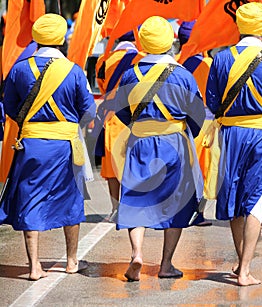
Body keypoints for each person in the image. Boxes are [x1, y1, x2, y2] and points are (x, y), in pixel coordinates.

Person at [0, 13, 96, 281]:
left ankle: (33, 267)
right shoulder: (74, 71)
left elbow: (9, 108)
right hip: (65, 146)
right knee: (71, 200)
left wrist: (31, 123)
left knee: (30, 199)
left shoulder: (19, 69)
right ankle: (71, 261)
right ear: (62, 38)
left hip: (30, 145)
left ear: (36, 37)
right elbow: (88, 112)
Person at [206, 2, 262, 286]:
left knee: (233, 196)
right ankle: (244, 270)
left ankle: (240, 258)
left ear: (239, 26)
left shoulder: (221, 59)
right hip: (261, 135)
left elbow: (213, 103)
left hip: (231, 135)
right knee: (255, 198)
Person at [113, 16, 206, 281]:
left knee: (135, 199)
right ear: (171, 42)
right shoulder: (183, 76)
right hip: (173, 145)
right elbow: (197, 115)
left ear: (143, 42)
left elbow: (121, 110)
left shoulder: (131, 74)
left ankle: (137, 254)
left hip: (139, 143)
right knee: (177, 204)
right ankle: (165, 264)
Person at [94, 31, 144, 222]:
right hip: (135, 115)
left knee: (112, 167)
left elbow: (102, 86)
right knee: (134, 163)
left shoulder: (104, 60)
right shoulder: (141, 58)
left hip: (111, 115)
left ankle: (115, 209)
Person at [177, 20, 214, 226]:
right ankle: (198, 213)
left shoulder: (175, 63)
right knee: (204, 172)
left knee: (185, 171)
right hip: (206, 123)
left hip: (179, 123)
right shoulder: (208, 64)